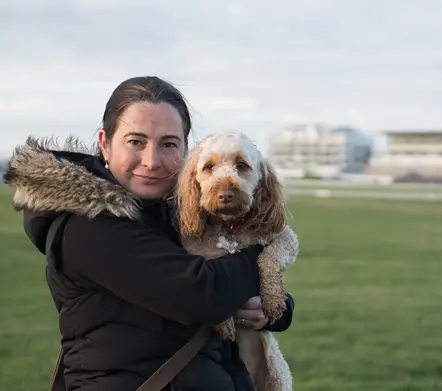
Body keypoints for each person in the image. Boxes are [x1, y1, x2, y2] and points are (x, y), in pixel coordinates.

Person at [4, 76, 295, 391]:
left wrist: (272, 311)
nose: (152, 161)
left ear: (186, 151)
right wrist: (261, 253)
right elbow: (203, 294)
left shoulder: (175, 215)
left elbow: (228, 284)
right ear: (105, 143)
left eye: (168, 144)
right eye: (135, 142)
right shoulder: (88, 226)